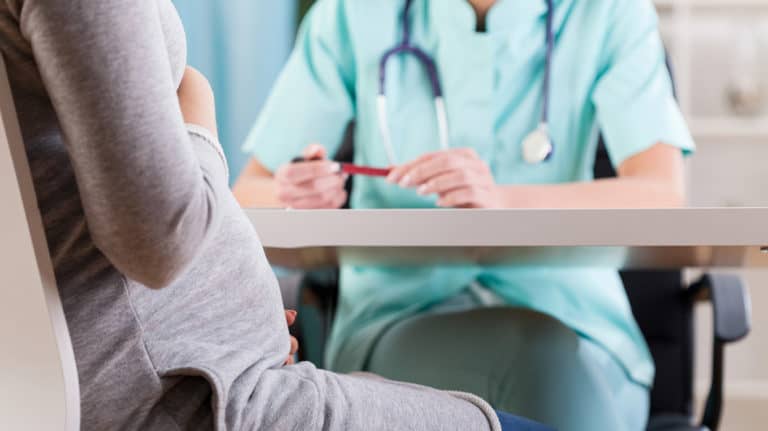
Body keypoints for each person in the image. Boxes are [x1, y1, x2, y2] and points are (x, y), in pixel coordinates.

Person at [0, 0, 546, 429]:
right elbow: (157, 242)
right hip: (191, 396)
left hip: (186, 373)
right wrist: (195, 106)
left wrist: (232, 323)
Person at [234, 0, 695, 430]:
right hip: (401, 319)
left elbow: (661, 193)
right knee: (536, 356)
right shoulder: (354, 12)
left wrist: (502, 200)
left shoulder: (608, 11)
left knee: (547, 360)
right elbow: (247, 193)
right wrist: (295, 192)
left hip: (581, 329)